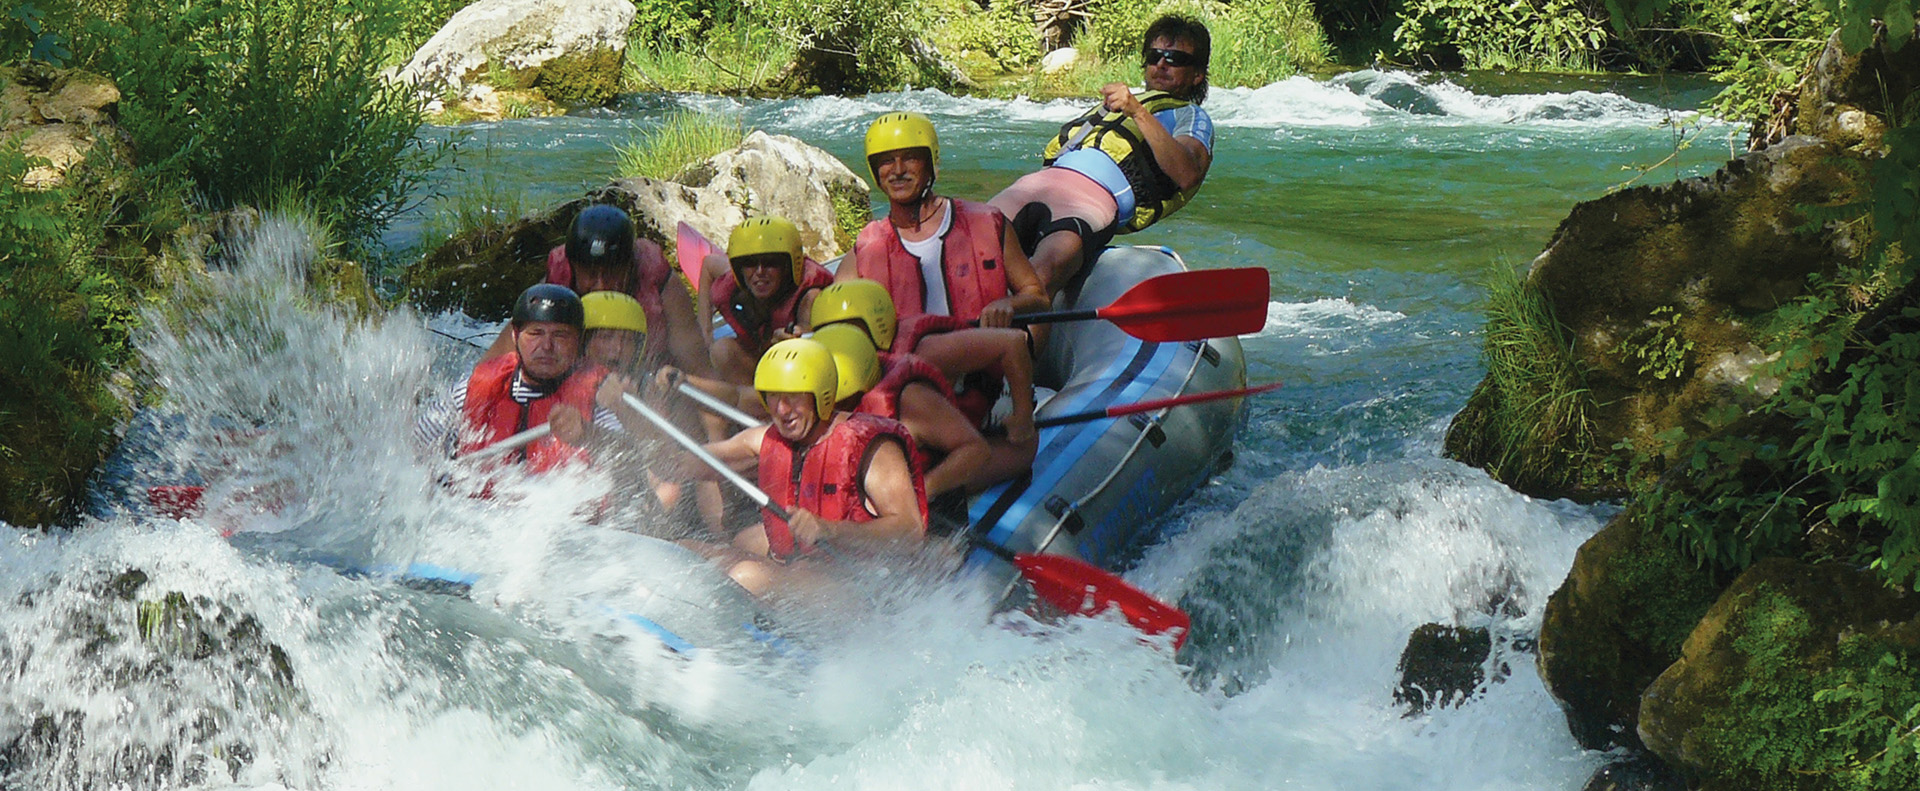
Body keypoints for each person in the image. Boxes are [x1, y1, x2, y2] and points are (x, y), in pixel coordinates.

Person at [609, 339, 928, 598]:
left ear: (822, 394)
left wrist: (830, 529)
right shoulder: (763, 440)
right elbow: (674, 466)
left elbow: (910, 531)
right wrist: (629, 414)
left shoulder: (872, 446)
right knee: (679, 552)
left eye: (793, 396)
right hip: (797, 574)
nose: (781, 409)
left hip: (863, 590)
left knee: (749, 577)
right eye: (773, 395)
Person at [987, 14, 1215, 294]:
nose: (1161, 64)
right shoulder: (1110, 107)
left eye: (1175, 58)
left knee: (1038, 282)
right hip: (1035, 185)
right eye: (1155, 55)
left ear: (1197, 75)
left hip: (1090, 203)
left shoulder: (1189, 115)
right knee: (968, 247)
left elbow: (1187, 172)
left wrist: (1137, 112)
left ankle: (1021, 330)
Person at [808, 279, 1037, 482]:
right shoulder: (828, 370)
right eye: (828, 329)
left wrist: (1023, 417)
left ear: (877, 325)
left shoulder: (928, 352)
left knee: (959, 473)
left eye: (848, 327)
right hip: (943, 427)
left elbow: (1013, 342)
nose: (838, 335)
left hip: (996, 408)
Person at [839, 112, 1049, 328]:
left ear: (930, 164)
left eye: (910, 158)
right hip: (905, 358)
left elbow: (1038, 297)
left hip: (981, 351)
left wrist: (1010, 304)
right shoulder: (866, 248)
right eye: (886, 161)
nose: (898, 170)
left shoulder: (988, 224)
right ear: (875, 171)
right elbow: (834, 314)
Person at [481, 204, 712, 378]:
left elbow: (698, 366)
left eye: (611, 273)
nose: (601, 285)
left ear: (630, 267)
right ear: (573, 267)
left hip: (649, 387)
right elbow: (491, 365)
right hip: (575, 391)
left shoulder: (662, 285)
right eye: (590, 274)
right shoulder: (555, 286)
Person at [415, 284, 622, 469]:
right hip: (475, 508)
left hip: (557, 508)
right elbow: (413, 450)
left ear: (578, 341)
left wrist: (590, 435)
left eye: (560, 335)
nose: (546, 346)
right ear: (515, 335)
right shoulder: (469, 390)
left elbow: (629, 459)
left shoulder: (598, 396)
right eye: (535, 333)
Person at [809, 323, 989, 498]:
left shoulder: (911, 400)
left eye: (843, 401)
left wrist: (922, 493)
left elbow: (975, 450)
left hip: (922, 498)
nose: (832, 411)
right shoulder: (797, 409)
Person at [708, 216, 836, 385]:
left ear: (789, 266)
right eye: (749, 262)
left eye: (771, 262)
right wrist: (705, 333)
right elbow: (708, 264)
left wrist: (795, 338)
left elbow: (808, 332)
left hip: (795, 374)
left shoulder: (810, 297)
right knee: (721, 350)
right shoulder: (731, 281)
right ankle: (753, 401)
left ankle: (759, 405)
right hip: (759, 358)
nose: (760, 271)